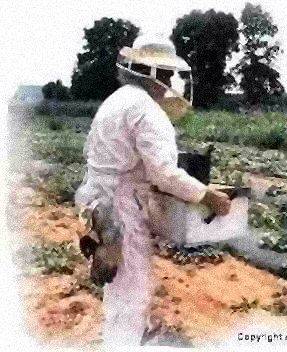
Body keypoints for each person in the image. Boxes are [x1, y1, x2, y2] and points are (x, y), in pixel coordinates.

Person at [75, 35, 231, 346]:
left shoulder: (117, 99)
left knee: (118, 285)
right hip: (119, 208)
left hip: (96, 201)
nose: (169, 82)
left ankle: (127, 335)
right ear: (156, 74)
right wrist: (208, 195)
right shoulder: (147, 109)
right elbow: (165, 174)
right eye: (166, 74)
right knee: (132, 291)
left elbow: (100, 152)